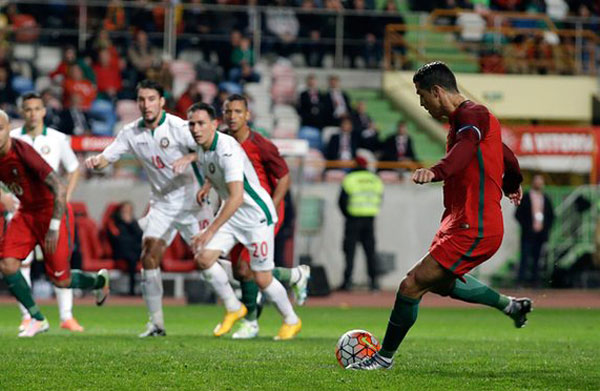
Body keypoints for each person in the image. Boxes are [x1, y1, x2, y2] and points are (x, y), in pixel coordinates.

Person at [348, 61, 531, 370]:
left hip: (476, 225)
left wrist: (437, 171)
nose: (422, 105)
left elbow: (465, 150)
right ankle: (511, 306)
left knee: (411, 284)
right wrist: (513, 183)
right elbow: (505, 154)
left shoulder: (472, 117)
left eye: (422, 97)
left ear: (437, 92)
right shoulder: (469, 121)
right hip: (460, 221)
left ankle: (383, 358)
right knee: (442, 283)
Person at [84, 80, 223, 338]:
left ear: (161, 102)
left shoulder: (180, 127)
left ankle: (253, 284)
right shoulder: (130, 132)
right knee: (148, 255)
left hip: (193, 204)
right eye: (142, 99)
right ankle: (157, 324)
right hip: (162, 205)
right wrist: (97, 161)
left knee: (209, 262)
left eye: (151, 99)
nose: (146, 105)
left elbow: (209, 147)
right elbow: (108, 156)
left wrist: (190, 158)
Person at [187, 102, 302, 340]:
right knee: (204, 258)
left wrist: (209, 230)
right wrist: (208, 185)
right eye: (192, 124)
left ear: (213, 125)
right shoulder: (202, 148)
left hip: (255, 217)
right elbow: (216, 174)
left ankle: (291, 320)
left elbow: (237, 196)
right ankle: (233, 307)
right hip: (233, 215)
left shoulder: (227, 148)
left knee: (261, 277)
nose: (195, 129)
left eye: (200, 124)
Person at [0, 109, 109, 338]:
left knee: (61, 280)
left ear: (8, 130)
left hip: (52, 213)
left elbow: (59, 186)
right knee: (8, 264)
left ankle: (98, 281)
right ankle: (37, 318)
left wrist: (54, 226)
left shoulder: (23, 152)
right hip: (27, 212)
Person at [221, 94, 310, 339]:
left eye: (238, 111)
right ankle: (294, 275)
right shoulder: (223, 141)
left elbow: (283, 176)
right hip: (238, 212)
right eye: (228, 111)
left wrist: (271, 206)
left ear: (247, 115)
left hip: (265, 212)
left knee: (246, 267)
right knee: (240, 272)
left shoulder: (261, 144)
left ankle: (251, 322)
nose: (232, 116)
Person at [8, 92, 83, 333]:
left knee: (59, 266)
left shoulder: (59, 139)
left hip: (51, 209)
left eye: (36, 108)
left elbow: (73, 169)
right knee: (21, 264)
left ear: (43, 111)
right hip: (21, 208)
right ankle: (28, 316)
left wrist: (66, 197)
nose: (32, 113)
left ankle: (66, 316)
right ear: (22, 112)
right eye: (27, 109)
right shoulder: (8, 138)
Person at [338, 155, 384, 292]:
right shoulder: (375, 179)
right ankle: (374, 282)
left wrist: (348, 214)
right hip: (369, 219)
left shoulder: (350, 179)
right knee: (370, 252)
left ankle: (347, 282)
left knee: (349, 252)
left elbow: (341, 201)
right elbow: (380, 198)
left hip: (353, 219)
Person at [515, 174, 554, 287]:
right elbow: (518, 215)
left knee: (538, 259)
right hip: (528, 234)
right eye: (537, 181)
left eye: (540, 181)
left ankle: (535, 281)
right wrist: (527, 227)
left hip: (540, 234)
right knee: (525, 258)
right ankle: (521, 281)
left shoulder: (545, 198)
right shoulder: (526, 197)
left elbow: (551, 215)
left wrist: (545, 228)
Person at [107, 201, 143, 296]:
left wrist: (130, 223)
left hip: (134, 250)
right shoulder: (114, 222)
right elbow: (117, 239)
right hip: (120, 251)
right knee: (131, 258)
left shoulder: (133, 222)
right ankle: (132, 290)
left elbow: (140, 236)